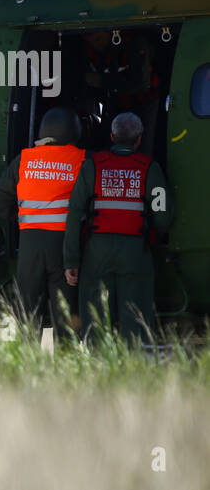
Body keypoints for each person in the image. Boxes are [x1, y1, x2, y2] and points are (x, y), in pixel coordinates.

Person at [63, 112, 171, 345]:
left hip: (96, 251)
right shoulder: (148, 168)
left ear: (112, 136)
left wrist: (71, 260)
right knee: (136, 317)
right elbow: (163, 217)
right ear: (139, 139)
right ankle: (132, 366)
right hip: (135, 251)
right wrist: (154, 238)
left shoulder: (93, 166)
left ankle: (99, 366)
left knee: (96, 320)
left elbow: (73, 214)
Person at [0, 106, 85, 340]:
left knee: (27, 315)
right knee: (65, 315)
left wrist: (22, 215)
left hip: (30, 245)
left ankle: (27, 368)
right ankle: (67, 366)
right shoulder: (81, 159)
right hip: (63, 246)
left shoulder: (25, 159)